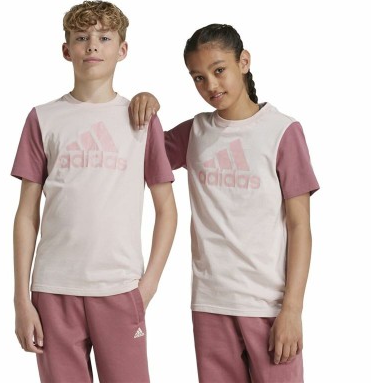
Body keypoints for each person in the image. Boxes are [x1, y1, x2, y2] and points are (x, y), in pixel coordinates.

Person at [130, 23, 319, 383]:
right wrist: (146, 102)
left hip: (269, 305)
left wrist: (292, 309)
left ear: (243, 62)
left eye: (219, 70)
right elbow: (139, 152)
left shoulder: (282, 131)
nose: (211, 86)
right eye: (198, 78)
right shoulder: (195, 132)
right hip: (210, 303)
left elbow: (300, 227)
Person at [11, 0, 177, 383]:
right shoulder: (43, 118)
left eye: (104, 38)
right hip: (53, 289)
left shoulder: (141, 119)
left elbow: (167, 209)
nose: (92, 46)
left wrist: (147, 286)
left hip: (120, 288)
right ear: (66, 49)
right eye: (81, 37)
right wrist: (21, 298)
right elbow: (26, 213)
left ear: (122, 49)